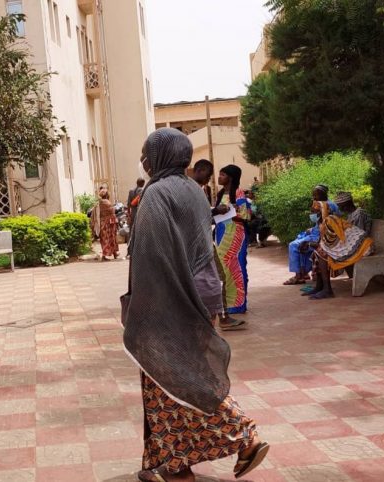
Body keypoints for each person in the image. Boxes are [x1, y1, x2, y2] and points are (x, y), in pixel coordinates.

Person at [124, 128, 269, 482]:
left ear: (160, 156)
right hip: (201, 288)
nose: (143, 160)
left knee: (174, 375)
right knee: (172, 378)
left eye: (147, 153)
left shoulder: (156, 193)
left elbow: (153, 255)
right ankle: (174, 465)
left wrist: (140, 304)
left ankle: (244, 435)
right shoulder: (192, 188)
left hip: (171, 292)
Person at [192, 159, 245, 331]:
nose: (210, 179)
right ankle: (220, 317)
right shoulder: (192, 190)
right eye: (209, 175)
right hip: (200, 241)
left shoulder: (193, 188)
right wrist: (215, 211)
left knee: (219, 276)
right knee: (218, 277)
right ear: (201, 170)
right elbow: (196, 214)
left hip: (213, 237)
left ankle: (223, 316)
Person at [307, 192, 373, 299]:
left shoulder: (359, 213)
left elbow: (359, 236)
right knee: (318, 251)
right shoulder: (350, 215)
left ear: (347, 205)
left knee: (324, 253)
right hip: (354, 245)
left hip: (362, 246)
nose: (340, 209)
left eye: (341, 207)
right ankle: (320, 286)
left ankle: (327, 290)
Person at [215, 165, 252, 316]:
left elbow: (246, 216)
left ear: (230, 177)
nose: (219, 177)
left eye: (222, 174)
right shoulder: (220, 193)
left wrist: (229, 211)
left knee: (236, 266)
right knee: (224, 269)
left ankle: (237, 305)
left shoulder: (238, 192)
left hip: (235, 234)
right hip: (221, 233)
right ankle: (227, 302)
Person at [284, 185, 339, 285]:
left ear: (323, 194)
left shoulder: (326, 205)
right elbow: (319, 221)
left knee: (294, 245)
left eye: (316, 195)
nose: (314, 197)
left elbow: (327, 223)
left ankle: (298, 276)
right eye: (313, 195)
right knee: (300, 239)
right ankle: (303, 273)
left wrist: (316, 230)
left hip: (323, 235)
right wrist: (313, 228)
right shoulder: (326, 204)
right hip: (317, 231)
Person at [92, 185, 120, 261]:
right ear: (106, 195)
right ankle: (108, 255)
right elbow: (112, 212)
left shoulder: (99, 203)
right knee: (111, 239)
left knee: (105, 239)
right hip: (109, 224)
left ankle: (112, 254)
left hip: (103, 224)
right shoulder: (106, 202)